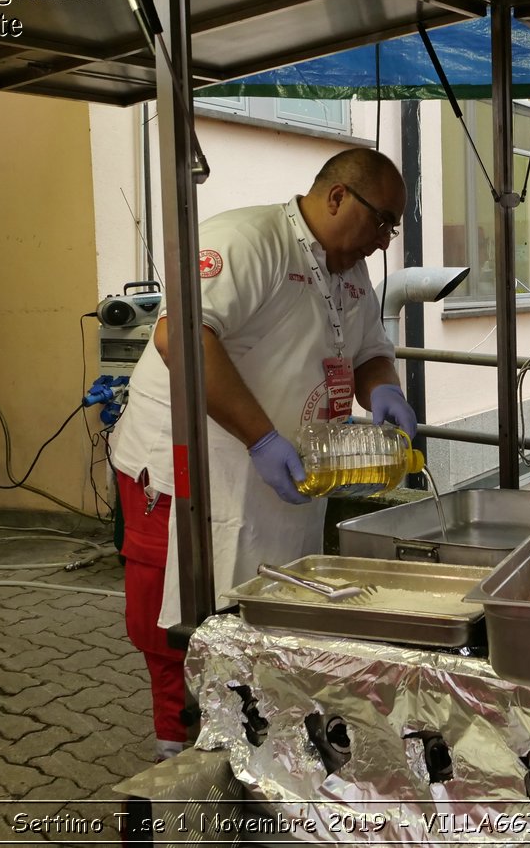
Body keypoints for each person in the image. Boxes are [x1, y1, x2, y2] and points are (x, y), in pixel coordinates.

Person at [106, 147, 415, 761]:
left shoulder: (349, 270)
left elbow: (369, 349)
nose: (383, 243)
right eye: (382, 221)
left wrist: (384, 390)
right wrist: (262, 437)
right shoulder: (249, 240)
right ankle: (179, 758)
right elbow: (180, 336)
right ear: (337, 198)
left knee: (270, 605)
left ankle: (255, 732)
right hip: (189, 467)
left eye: (392, 229)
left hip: (281, 476)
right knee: (177, 616)